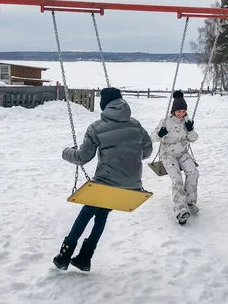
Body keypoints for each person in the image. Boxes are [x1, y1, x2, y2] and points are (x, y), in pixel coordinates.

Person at [53, 87, 153, 272]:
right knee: (102, 212)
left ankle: (64, 255)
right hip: (132, 183)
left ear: (104, 105)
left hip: (107, 181)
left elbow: (83, 156)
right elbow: (147, 151)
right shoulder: (136, 125)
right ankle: (84, 257)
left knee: (86, 212)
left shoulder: (96, 128)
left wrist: (66, 152)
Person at [151, 90, 199, 225]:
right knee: (177, 178)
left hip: (183, 153)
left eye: (183, 111)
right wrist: (161, 134)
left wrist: (190, 130)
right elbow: (152, 138)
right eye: (178, 111)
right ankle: (180, 210)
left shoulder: (187, 121)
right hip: (168, 155)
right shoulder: (165, 121)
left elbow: (194, 139)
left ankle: (189, 203)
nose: (181, 113)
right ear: (173, 111)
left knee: (193, 173)